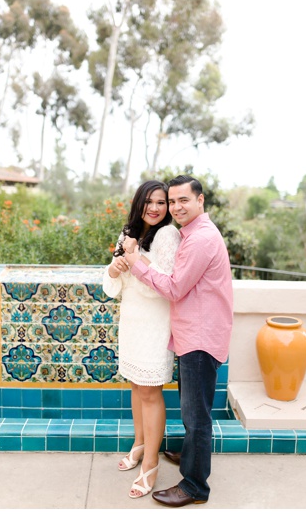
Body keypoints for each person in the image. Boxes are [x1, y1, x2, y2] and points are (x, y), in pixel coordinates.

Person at [118, 175, 233, 507]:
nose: (176, 207)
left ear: (201, 201)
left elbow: (173, 288)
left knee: (197, 418)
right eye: (173, 201)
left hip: (200, 337)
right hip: (192, 334)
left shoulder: (199, 240)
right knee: (192, 412)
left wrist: (137, 261)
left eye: (184, 200)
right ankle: (189, 456)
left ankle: (195, 487)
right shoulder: (192, 234)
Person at [103, 180, 182, 498]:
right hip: (132, 322)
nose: (154, 207)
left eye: (161, 202)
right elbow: (114, 285)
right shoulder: (129, 234)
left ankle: (151, 463)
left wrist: (136, 261)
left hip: (155, 324)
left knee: (151, 392)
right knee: (137, 386)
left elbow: (166, 283)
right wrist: (115, 267)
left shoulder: (168, 234)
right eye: (148, 201)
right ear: (139, 203)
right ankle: (138, 444)